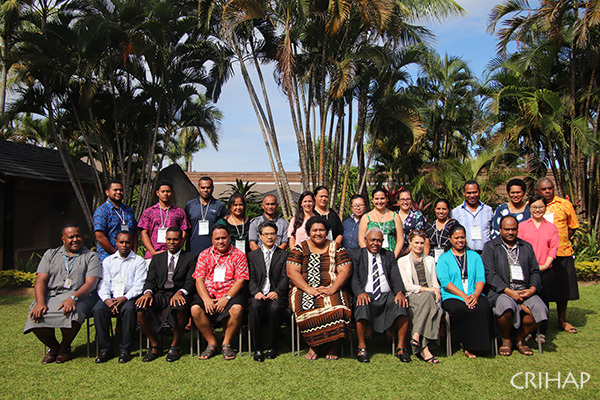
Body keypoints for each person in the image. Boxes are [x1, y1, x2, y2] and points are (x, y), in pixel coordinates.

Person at [24, 224, 101, 364]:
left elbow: (90, 284)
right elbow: (41, 280)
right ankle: (54, 348)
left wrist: (73, 298)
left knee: (73, 312)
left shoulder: (91, 256)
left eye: (78, 236)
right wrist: (40, 303)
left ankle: (64, 347)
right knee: (35, 316)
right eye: (71, 237)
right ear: (63, 239)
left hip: (80, 295)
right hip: (52, 295)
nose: (75, 239)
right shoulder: (51, 254)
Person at [482, 215, 548, 357]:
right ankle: (506, 339)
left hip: (525, 291)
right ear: (500, 230)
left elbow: (535, 271)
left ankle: (520, 338)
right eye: (506, 229)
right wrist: (508, 291)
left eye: (513, 229)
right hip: (502, 291)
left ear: (518, 230)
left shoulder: (526, 247)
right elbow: (490, 273)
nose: (510, 232)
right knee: (505, 308)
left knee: (541, 310)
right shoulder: (491, 247)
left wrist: (532, 289)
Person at [288, 216, 352, 360]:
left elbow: (345, 270)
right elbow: (292, 272)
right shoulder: (300, 248)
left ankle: (333, 346)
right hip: (303, 289)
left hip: (332, 287)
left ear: (327, 232)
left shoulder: (336, 247)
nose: (318, 233)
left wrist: (332, 289)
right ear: (308, 232)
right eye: (314, 230)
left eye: (321, 230)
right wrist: (308, 289)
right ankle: (314, 345)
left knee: (339, 307)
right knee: (305, 307)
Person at [136, 227, 197, 362]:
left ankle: (175, 345)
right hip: (160, 293)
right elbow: (150, 280)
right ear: (165, 240)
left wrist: (181, 292)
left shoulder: (190, 258)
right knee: (141, 309)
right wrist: (147, 293)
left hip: (179, 293)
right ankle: (154, 344)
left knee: (180, 308)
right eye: (169, 239)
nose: (172, 242)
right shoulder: (157, 258)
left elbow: (190, 281)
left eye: (175, 239)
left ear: (182, 240)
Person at [350, 228, 410, 363]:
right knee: (361, 303)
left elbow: (395, 276)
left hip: (386, 294)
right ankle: (361, 347)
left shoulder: (388, 255)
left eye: (379, 240)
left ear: (383, 242)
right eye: (372, 240)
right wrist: (360, 293)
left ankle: (401, 348)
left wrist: (400, 292)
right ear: (366, 240)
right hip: (366, 293)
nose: (375, 243)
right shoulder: (356, 255)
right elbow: (354, 278)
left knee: (402, 304)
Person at [190, 226, 249, 360]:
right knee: (195, 309)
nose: (221, 241)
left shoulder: (239, 255)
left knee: (237, 309)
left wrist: (226, 298)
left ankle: (226, 343)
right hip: (209, 293)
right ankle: (212, 343)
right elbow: (199, 279)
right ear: (212, 239)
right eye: (217, 238)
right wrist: (206, 299)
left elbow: (240, 280)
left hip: (230, 293)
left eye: (224, 238)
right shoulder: (204, 255)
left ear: (229, 238)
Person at [436, 224, 493, 358]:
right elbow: (445, 281)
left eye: (462, 237)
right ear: (450, 239)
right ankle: (467, 345)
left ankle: (481, 346)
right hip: (452, 295)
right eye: (456, 238)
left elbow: (480, 277)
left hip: (474, 293)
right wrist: (463, 296)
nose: (460, 240)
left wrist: (475, 295)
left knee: (483, 307)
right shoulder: (444, 258)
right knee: (462, 309)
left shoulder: (474, 256)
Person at [93, 231, 147, 363]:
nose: (124, 245)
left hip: (129, 297)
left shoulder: (139, 261)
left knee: (129, 310)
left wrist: (125, 298)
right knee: (98, 310)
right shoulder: (108, 261)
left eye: (127, 242)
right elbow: (104, 283)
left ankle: (125, 349)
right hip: (111, 297)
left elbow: (139, 285)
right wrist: (107, 299)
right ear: (116, 243)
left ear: (132, 243)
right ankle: (105, 348)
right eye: (121, 242)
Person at [536, 177, 580, 334]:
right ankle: (543, 321)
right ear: (537, 191)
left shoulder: (564, 205)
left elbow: (572, 227)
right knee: (544, 289)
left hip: (562, 252)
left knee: (563, 289)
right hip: (541, 254)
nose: (547, 191)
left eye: (550, 188)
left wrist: (559, 241)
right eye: (544, 189)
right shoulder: (536, 206)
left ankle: (562, 320)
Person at [517, 195, 559, 343]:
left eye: (541, 207)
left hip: (545, 269)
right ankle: (528, 330)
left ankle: (542, 332)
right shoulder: (522, 226)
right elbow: (518, 247)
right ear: (529, 208)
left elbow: (553, 249)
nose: (537, 210)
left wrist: (545, 265)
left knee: (544, 300)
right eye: (534, 207)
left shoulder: (552, 227)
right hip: (525, 270)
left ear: (545, 208)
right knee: (527, 299)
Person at [398, 230, 442, 364]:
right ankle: (424, 348)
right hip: (413, 296)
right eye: (416, 243)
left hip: (429, 297)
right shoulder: (402, 261)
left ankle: (417, 338)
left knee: (429, 300)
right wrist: (427, 290)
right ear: (410, 243)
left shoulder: (430, 260)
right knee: (428, 298)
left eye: (422, 243)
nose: (419, 246)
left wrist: (437, 291)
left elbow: (434, 282)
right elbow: (407, 286)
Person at [247, 220, 289, 362]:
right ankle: (258, 348)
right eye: (266, 234)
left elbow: (285, 277)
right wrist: (255, 292)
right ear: (260, 236)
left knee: (275, 307)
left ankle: (272, 346)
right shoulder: (252, 256)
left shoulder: (284, 255)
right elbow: (250, 278)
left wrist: (277, 291)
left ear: (276, 236)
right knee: (254, 306)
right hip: (258, 294)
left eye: (272, 234)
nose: (269, 237)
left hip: (275, 294)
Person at [138, 181, 190, 261]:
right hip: (153, 255)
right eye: (163, 191)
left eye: (168, 191)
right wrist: (153, 252)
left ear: (172, 193)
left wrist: (177, 249)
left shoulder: (179, 212)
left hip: (173, 255)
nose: (165, 194)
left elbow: (184, 232)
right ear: (157, 193)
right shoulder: (149, 212)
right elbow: (144, 233)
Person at [93, 180, 138, 261]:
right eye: (115, 190)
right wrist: (117, 254)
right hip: (109, 257)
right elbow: (99, 236)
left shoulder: (128, 210)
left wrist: (134, 253)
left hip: (129, 257)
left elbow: (134, 232)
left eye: (120, 190)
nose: (118, 192)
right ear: (107, 192)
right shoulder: (102, 211)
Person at [185, 176, 227, 256]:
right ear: (198, 188)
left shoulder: (219, 205)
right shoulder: (190, 205)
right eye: (203, 187)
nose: (205, 190)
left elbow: (223, 229)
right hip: (193, 249)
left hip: (213, 250)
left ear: (213, 188)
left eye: (208, 187)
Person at [358, 187, 404, 258]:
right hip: (372, 257)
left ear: (387, 199)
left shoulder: (395, 216)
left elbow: (400, 239)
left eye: (382, 198)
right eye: (376, 199)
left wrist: (394, 257)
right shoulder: (366, 217)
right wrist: (370, 256)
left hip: (391, 255)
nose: (379, 202)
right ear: (372, 200)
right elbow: (361, 240)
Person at [450, 180, 493, 253]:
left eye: (474, 192)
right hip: (465, 253)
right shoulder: (455, 212)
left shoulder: (488, 210)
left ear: (479, 191)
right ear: (464, 192)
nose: (472, 196)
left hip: (485, 254)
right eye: (469, 193)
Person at [397, 189, 429, 257]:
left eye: (408, 199)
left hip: (413, 253)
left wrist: (405, 252)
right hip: (395, 253)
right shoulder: (393, 216)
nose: (405, 202)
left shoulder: (418, 216)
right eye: (402, 199)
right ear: (398, 201)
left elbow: (420, 237)